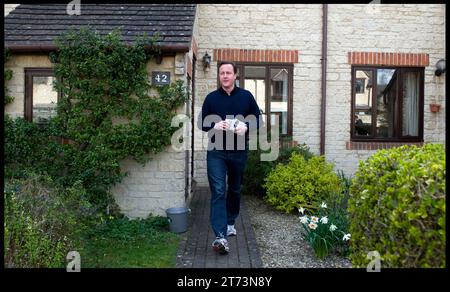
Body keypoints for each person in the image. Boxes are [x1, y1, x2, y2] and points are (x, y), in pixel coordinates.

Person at [198, 61, 261, 255]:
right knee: (218, 190)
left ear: (235, 75)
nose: (225, 76)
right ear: (219, 76)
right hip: (216, 151)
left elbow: (258, 118)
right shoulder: (211, 98)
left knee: (234, 188)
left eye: (228, 73)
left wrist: (246, 127)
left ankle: (231, 220)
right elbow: (201, 122)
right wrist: (213, 126)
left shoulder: (246, 96)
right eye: (221, 73)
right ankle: (220, 235)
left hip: (238, 151)